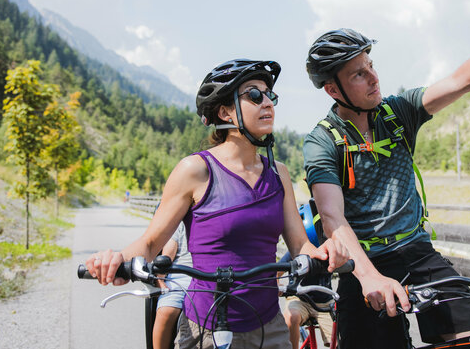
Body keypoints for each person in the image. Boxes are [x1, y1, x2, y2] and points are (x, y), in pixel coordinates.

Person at [302, 0, 470, 349]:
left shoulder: (398, 112)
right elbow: (332, 217)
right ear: (333, 90)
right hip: (362, 264)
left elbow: (460, 81)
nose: (374, 78)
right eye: (359, 74)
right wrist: (369, 276)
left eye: (371, 66)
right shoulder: (322, 140)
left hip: (418, 253)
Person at [86, 59, 348, 349]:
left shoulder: (278, 172)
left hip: (270, 325)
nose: (268, 104)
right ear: (224, 111)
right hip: (206, 327)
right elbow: (150, 242)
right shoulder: (194, 170)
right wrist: (115, 259)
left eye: (270, 96)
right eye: (254, 95)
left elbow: (299, 244)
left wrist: (325, 251)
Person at [279, 204, 334, 349]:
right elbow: (276, 272)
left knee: (336, 339)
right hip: (299, 299)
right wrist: (277, 285)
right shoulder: (294, 252)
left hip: (325, 304)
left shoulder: (329, 251)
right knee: (291, 318)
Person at [152, 224, 191, 349]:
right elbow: (168, 253)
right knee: (166, 311)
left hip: (214, 274)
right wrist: (161, 275)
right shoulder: (180, 222)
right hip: (181, 273)